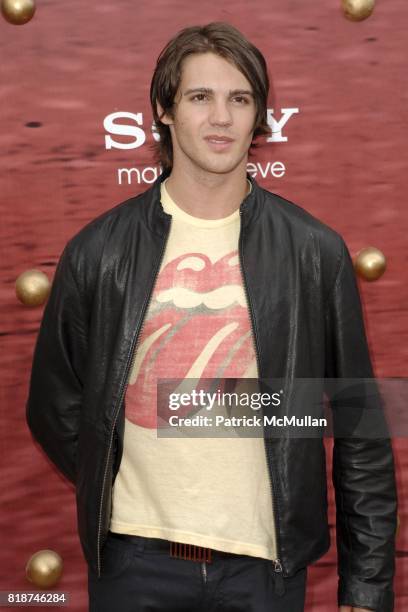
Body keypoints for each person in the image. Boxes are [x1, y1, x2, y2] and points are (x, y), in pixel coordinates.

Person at [25, 21, 397, 612]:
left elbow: (358, 428)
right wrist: (121, 478)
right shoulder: (100, 251)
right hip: (134, 565)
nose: (221, 117)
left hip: (264, 571)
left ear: (259, 117)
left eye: (239, 99)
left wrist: (369, 584)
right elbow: (56, 406)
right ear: (164, 110)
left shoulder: (313, 251)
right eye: (201, 97)